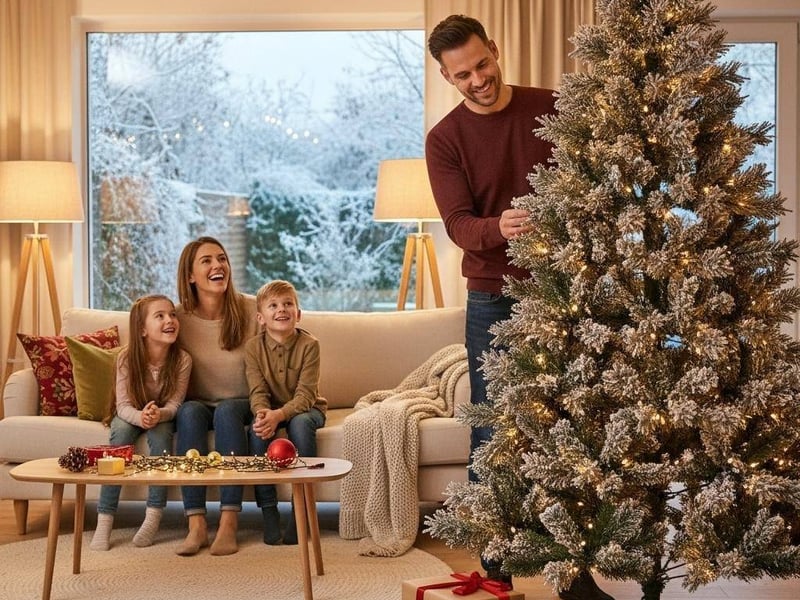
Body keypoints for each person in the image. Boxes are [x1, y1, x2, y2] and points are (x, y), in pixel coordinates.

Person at [426, 16, 613, 600]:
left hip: (567, 289)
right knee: (494, 433)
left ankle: (575, 574)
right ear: (447, 77)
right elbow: (458, 224)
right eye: (463, 75)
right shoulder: (444, 139)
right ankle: (496, 569)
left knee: (571, 428)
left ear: (496, 49)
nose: (478, 80)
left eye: (482, 64)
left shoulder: (552, 107)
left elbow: (592, 182)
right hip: (492, 297)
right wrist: (498, 228)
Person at [174, 236, 260, 556]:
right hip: (199, 403)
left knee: (226, 412)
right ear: (190, 276)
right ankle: (196, 523)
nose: (217, 265)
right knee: (188, 413)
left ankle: (229, 521)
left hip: (242, 403)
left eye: (221, 258)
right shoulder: (177, 319)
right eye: (207, 261)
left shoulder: (252, 309)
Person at [90, 294, 192, 551]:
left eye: (172, 314)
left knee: (161, 439)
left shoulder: (183, 360)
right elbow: (123, 406)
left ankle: (153, 517)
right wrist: (141, 417)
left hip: (162, 415)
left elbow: (175, 404)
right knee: (120, 437)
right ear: (142, 329)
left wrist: (159, 415)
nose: (170, 320)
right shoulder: (126, 358)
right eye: (160, 316)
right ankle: (105, 519)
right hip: (130, 413)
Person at [246, 280, 327, 545]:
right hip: (270, 410)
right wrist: (262, 414)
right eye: (273, 305)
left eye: (288, 304)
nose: (281, 309)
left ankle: (300, 511)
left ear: (298, 313)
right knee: (258, 431)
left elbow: (306, 396)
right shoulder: (253, 348)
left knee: (300, 424)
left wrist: (279, 415)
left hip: (308, 409)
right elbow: (257, 390)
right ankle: (269, 511)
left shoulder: (310, 345)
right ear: (261, 318)